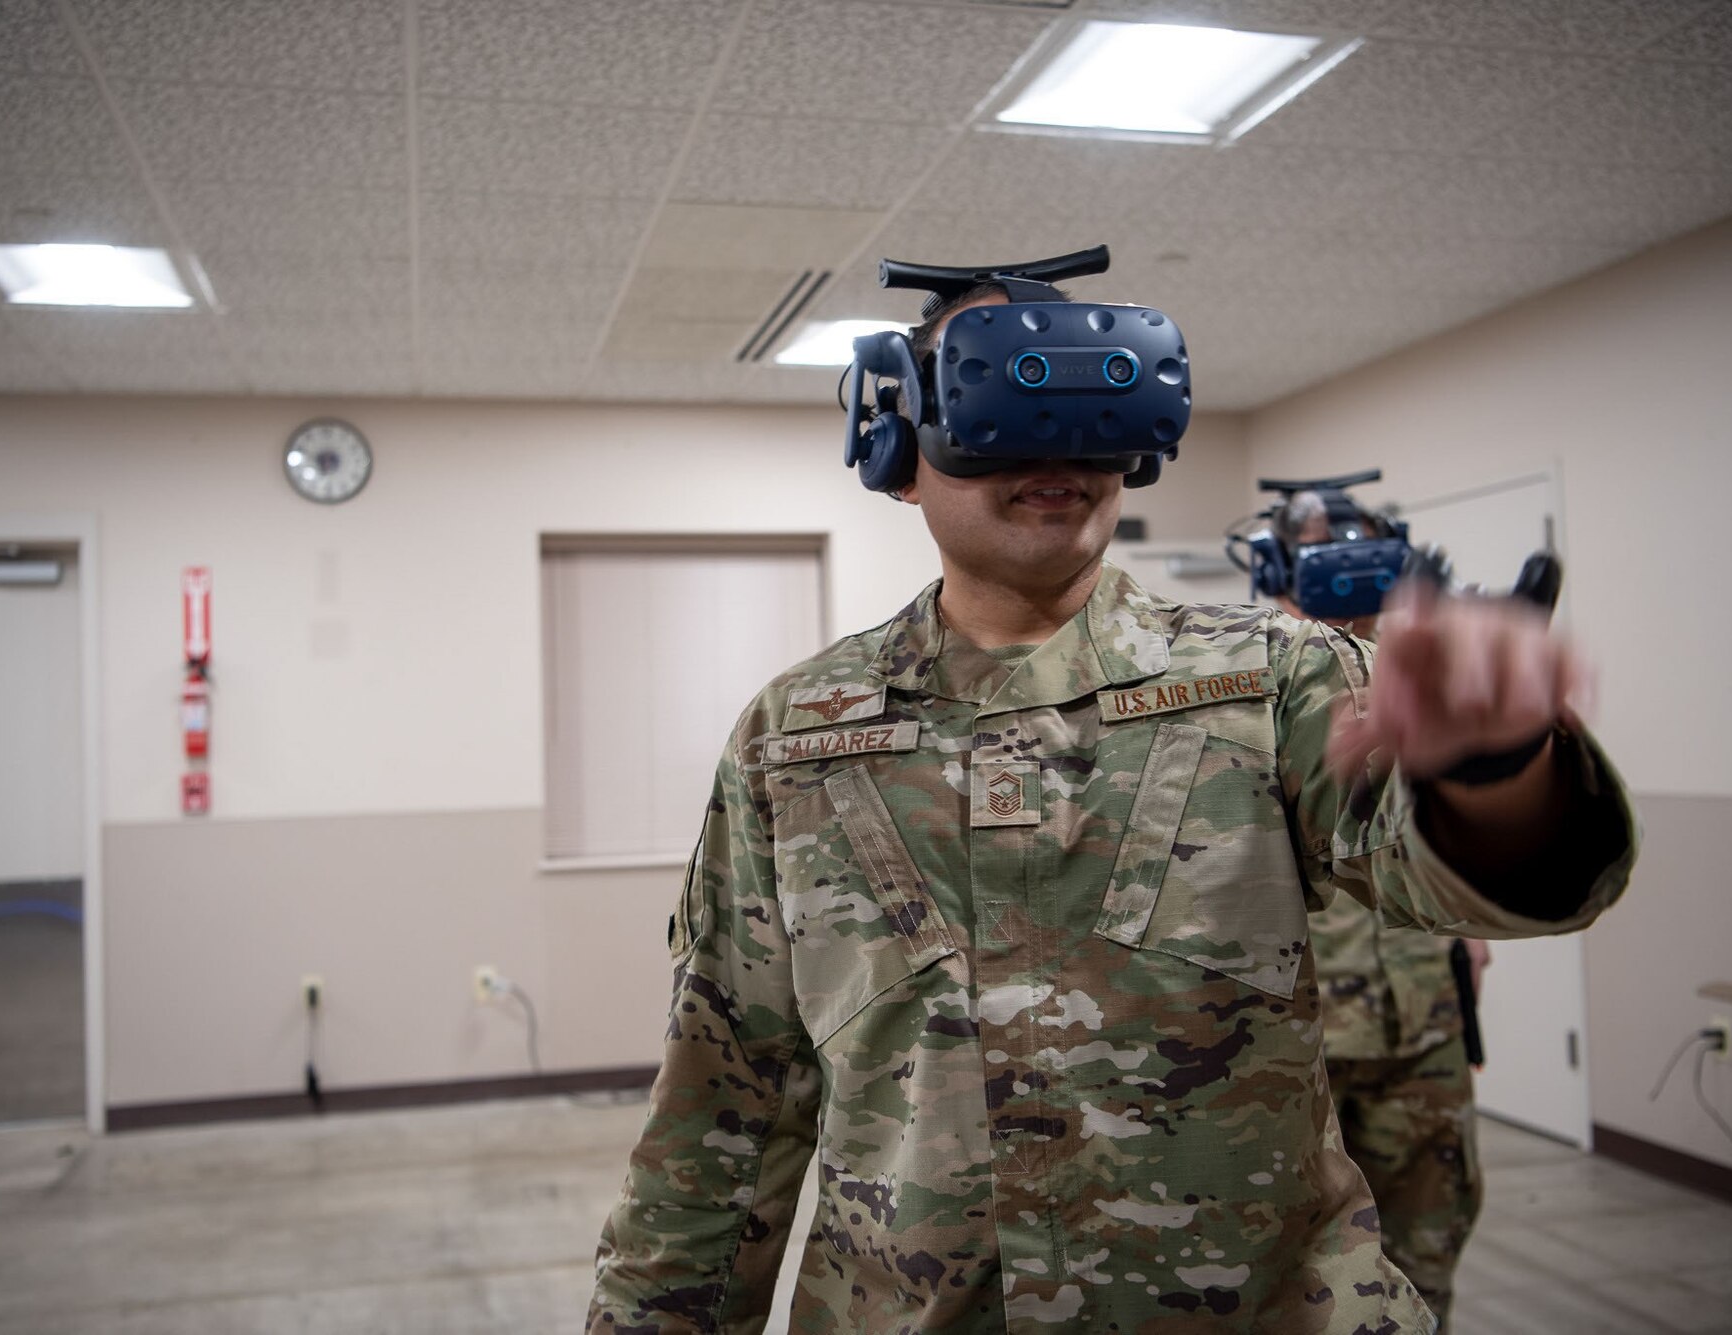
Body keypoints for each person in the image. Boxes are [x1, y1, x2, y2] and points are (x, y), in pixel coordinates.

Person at [588, 279, 1637, 1334]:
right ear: (898, 450)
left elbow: (1477, 881)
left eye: (1091, 406)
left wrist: (1496, 768)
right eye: (997, 403)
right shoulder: (798, 731)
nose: (1052, 447)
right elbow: (724, 1100)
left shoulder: (1275, 676)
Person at [1270, 487, 1490, 1329]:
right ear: (1282, 567)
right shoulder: (1247, 682)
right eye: (1327, 556)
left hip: (1421, 1024)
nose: (1350, 575)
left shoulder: (1423, 676)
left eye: (1365, 555)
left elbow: (1447, 835)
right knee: (1295, 1278)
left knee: (1430, 1244)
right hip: (1299, 1044)